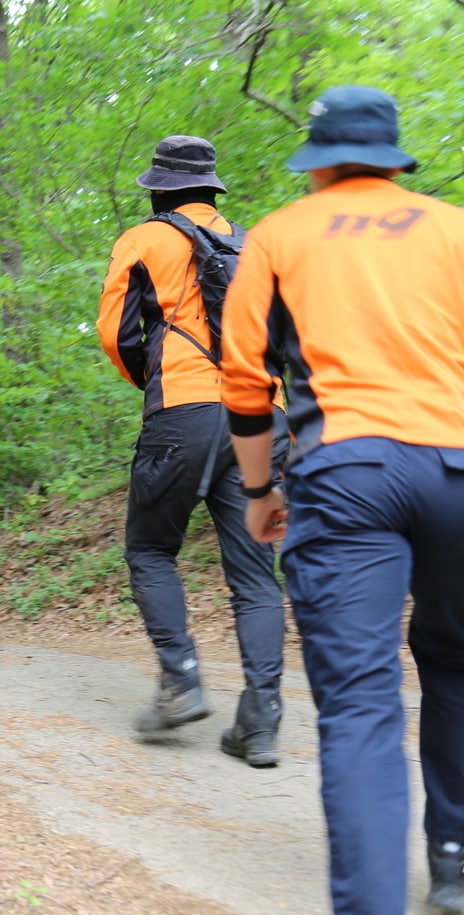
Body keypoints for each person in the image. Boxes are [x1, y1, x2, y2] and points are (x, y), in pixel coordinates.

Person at [219, 86, 464, 915]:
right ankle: (456, 861)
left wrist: (259, 493)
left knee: (360, 701)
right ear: (396, 158)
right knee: (460, 655)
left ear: (316, 164)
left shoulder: (280, 236)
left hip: (347, 473)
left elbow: (245, 382)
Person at [96, 134, 290, 767]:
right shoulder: (256, 243)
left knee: (150, 549)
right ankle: (260, 722)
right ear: (212, 189)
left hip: (185, 411)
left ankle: (180, 680)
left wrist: (156, 381)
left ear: (158, 188)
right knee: (256, 576)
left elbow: (117, 335)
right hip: (264, 414)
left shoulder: (143, 240)